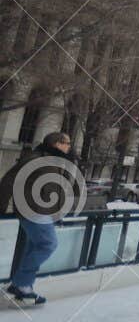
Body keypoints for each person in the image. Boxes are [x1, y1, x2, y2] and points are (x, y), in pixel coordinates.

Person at [0, 130, 77, 305]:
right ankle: (20, 284)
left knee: (35, 246)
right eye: (67, 143)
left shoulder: (56, 160)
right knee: (48, 244)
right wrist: (1, 205)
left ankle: (23, 286)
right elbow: (9, 179)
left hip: (43, 212)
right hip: (32, 210)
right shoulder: (36, 158)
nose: (69, 147)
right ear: (57, 143)